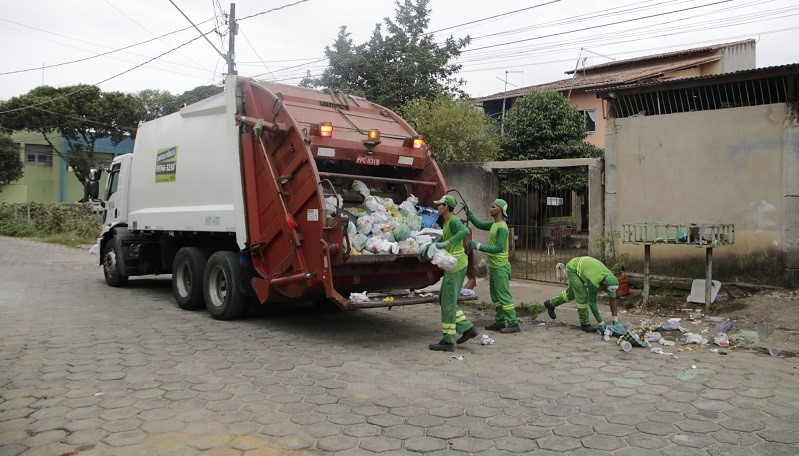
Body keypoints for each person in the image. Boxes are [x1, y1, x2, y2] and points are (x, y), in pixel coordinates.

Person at [427, 194, 479, 351]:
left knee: (448, 302)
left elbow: (464, 231)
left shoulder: (455, 221)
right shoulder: (447, 222)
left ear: (446, 207)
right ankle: (468, 329)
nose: (438, 207)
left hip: (456, 265)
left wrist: (447, 243)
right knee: (444, 299)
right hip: (453, 265)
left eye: (440, 205)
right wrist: (431, 246)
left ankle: (448, 341)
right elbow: (444, 237)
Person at [464, 199, 519, 333]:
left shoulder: (502, 228)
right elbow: (479, 224)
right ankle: (500, 321)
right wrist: (469, 213)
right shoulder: (494, 224)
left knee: (504, 296)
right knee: (496, 297)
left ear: (499, 209)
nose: (490, 208)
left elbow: (500, 247)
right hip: (494, 267)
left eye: (493, 207)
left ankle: (513, 323)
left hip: (500, 267)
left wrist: (479, 246)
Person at [544, 256, 620, 332]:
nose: (607, 292)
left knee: (571, 294)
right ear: (603, 284)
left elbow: (613, 299)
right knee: (582, 296)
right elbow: (592, 303)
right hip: (573, 268)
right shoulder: (594, 280)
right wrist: (601, 323)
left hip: (584, 267)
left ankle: (551, 303)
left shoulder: (611, 278)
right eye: (606, 290)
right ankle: (585, 324)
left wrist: (615, 320)